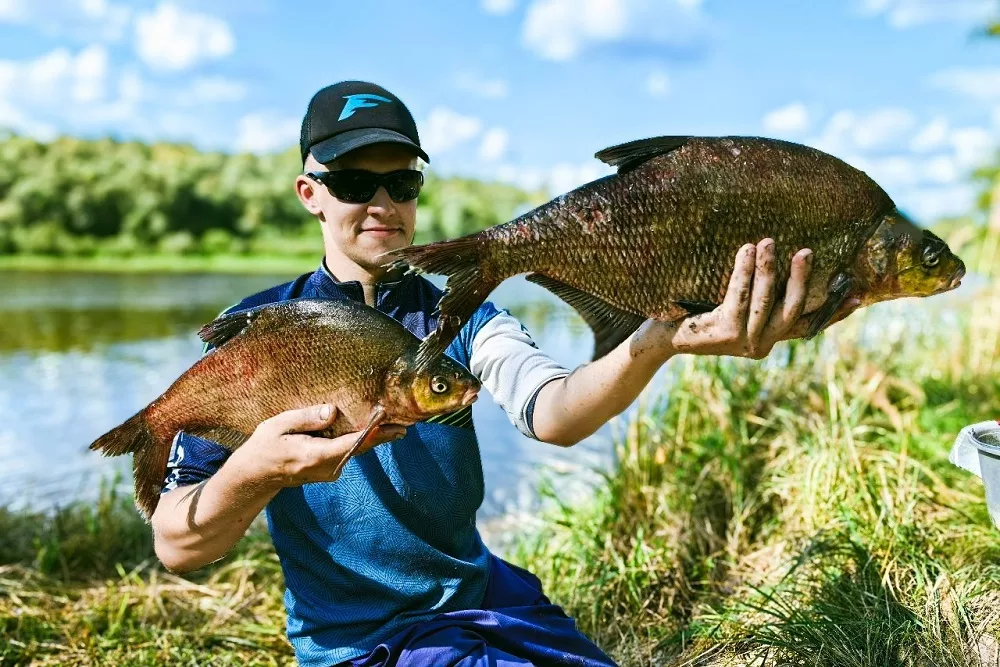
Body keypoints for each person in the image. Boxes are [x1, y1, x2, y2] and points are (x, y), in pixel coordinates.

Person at [150, 80, 859, 667]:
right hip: (361, 644)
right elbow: (179, 543)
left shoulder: (457, 316)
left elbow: (554, 412)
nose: (382, 203)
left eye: (401, 181)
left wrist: (657, 340)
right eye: (354, 182)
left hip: (482, 597)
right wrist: (259, 470)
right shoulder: (258, 335)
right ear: (311, 193)